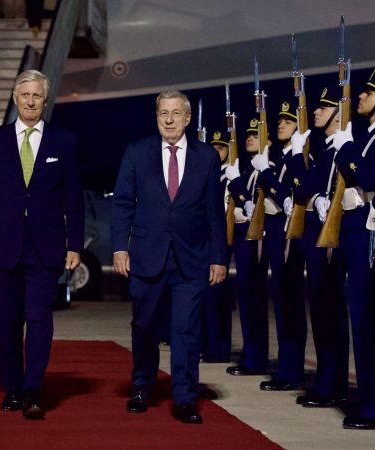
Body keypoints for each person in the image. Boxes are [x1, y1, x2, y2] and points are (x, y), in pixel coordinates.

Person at [0, 69, 84, 420]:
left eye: (37, 95)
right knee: (7, 322)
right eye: (25, 95)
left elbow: (73, 198)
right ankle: (13, 388)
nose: (31, 101)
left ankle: (33, 388)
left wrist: (75, 244)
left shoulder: (65, 141)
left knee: (38, 318)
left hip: (46, 248)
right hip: (3, 246)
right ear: (15, 98)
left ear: (45, 100)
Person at [111, 90, 227, 424]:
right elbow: (122, 203)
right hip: (146, 256)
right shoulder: (137, 152)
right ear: (156, 117)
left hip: (192, 258)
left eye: (176, 113)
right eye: (163, 113)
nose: (169, 120)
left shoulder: (207, 157)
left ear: (187, 118)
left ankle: (185, 397)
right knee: (144, 326)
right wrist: (120, 248)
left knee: (186, 330)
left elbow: (214, 211)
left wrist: (219, 257)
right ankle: (141, 386)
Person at [286, 86, 349, 409]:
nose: (316, 112)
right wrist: (297, 155)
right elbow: (306, 189)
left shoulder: (344, 148)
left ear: (339, 114)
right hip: (322, 237)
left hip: (339, 239)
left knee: (331, 313)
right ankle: (329, 383)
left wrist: (297, 157)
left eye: (323, 109)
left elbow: (306, 187)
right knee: (324, 314)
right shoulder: (327, 151)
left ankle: (332, 385)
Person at [325, 69, 375, 430]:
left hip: (368, 236)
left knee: (367, 320)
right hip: (358, 234)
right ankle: (368, 399)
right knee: (362, 320)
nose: (360, 96)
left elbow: (369, 176)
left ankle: (372, 406)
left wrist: (346, 148)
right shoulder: (368, 137)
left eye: (369, 93)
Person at [247, 101, 308, 391]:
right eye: (280, 121)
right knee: (282, 305)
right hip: (274, 233)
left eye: (289, 121)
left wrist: (267, 173)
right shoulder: (283, 159)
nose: (281, 125)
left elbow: (291, 193)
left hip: (289, 236)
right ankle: (286, 369)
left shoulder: (298, 158)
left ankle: (292, 371)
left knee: (291, 305)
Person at [224, 118, 271, 377]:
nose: (250, 138)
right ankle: (250, 354)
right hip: (245, 240)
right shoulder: (250, 170)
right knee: (246, 298)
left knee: (254, 299)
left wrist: (236, 184)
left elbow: (252, 202)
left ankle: (256, 357)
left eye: (256, 135)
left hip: (257, 241)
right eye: (248, 135)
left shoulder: (266, 168)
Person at [200, 130, 233, 363]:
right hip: (205, 237)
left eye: (220, 148)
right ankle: (208, 343)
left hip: (224, 237)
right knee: (206, 296)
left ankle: (219, 347)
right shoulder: (209, 173)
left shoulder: (230, 174)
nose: (215, 152)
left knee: (218, 295)